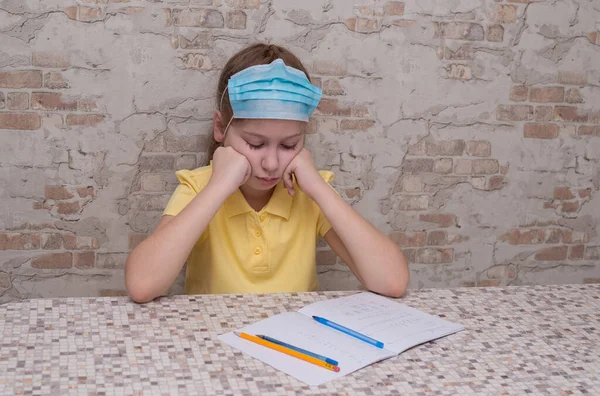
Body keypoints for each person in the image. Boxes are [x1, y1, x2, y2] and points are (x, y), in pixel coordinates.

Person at [125, 43, 409, 303]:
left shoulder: (310, 191)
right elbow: (141, 285)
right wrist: (218, 186)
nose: (272, 163)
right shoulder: (199, 187)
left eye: (289, 145)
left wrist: (319, 189)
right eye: (255, 144)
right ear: (221, 128)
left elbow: (392, 282)